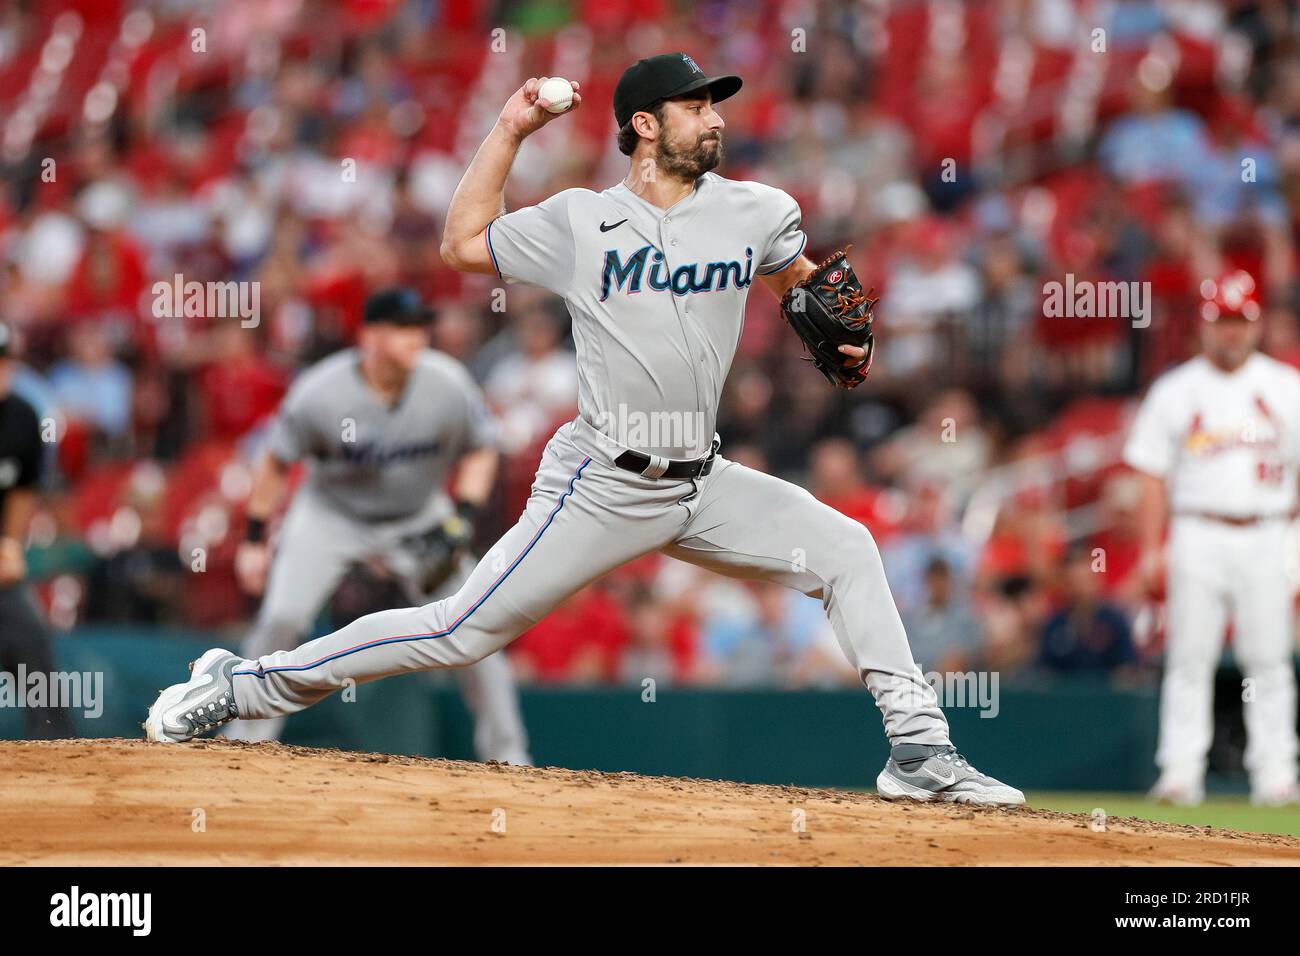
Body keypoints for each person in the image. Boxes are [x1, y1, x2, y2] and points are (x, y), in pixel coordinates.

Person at [146, 54, 1022, 806]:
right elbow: (461, 244)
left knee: (848, 550)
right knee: (460, 630)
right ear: (644, 125)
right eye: (694, 105)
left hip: (700, 483)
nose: (712, 117)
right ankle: (243, 683)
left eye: (713, 103)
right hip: (601, 480)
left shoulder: (755, 209)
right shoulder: (579, 222)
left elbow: (802, 283)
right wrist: (510, 129)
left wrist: (829, 309)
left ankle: (921, 754)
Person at [216, 289, 530, 765]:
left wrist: (460, 519)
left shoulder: (447, 382)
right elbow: (276, 461)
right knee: (282, 620)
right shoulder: (321, 392)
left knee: (478, 629)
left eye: (420, 327)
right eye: (404, 327)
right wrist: (256, 539)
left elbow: (482, 447)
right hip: (331, 516)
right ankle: (244, 742)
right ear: (370, 336)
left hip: (418, 516)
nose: (417, 337)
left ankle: (509, 755)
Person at [1125, 270, 1300, 806]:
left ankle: (1276, 774)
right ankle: (1180, 771)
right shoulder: (1177, 389)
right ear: (1204, 326)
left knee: (1269, 659)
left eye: (1240, 321)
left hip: (1269, 529)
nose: (1231, 333)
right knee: (1188, 656)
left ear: (1257, 323)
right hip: (1197, 529)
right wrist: (1152, 547)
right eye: (1221, 321)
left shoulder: (1285, 387)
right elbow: (1150, 474)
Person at [0, 321, 72, 738]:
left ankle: (57, 755)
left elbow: (23, 490)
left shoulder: (23, 418)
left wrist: (10, 545)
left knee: (31, 639)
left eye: (5, 361)